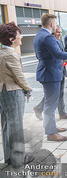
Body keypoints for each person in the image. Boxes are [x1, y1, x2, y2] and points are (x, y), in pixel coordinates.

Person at [33, 14, 67, 142]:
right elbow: (58, 54)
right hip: (50, 74)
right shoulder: (47, 37)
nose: (56, 26)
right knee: (50, 104)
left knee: (50, 103)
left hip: (48, 72)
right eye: (56, 24)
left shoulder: (40, 35)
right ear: (51, 24)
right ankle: (51, 133)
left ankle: (51, 127)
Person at [0, 22, 34, 167]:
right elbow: (19, 77)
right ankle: (19, 159)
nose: (21, 37)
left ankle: (9, 157)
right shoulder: (10, 55)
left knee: (7, 125)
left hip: (3, 91)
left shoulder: (1, 52)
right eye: (19, 34)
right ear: (11, 39)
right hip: (13, 93)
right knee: (16, 126)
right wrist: (28, 89)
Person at [33, 25, 67, 120]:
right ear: (52, 32)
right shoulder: (49, 41)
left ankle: (62, 113)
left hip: (60, 69)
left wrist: (65, 60)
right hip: (52, 71)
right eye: (57, 32)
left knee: (60, 92)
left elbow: (61, 54)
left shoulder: (59, 40)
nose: (60, 34)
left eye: (60, 32)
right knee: (53, 94)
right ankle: (39, 109)